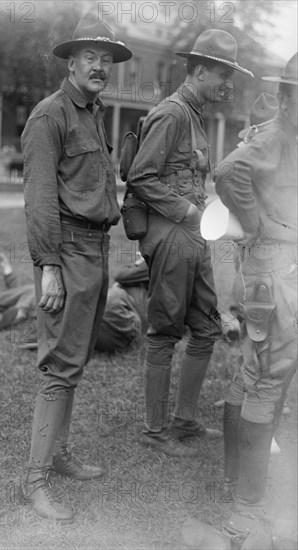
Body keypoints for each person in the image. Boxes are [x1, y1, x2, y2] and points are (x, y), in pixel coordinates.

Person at [20, 13, 132, 522]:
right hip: (65, 252)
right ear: (70, 61)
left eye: (107, 59)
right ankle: (35, 481)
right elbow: (40, 198)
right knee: (58, 367)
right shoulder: (51, 115)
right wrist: (48, 267)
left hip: (95, 251)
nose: (100, 66)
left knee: (76, 359)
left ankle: (59, 455)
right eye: (91, 56)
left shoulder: (93, 111)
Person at [126, 29, 254, 458]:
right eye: (222, 74)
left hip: (193, 238)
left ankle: (184, 420)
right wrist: (189, 214)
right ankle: (154, 430)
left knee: (205, 327)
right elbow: (141, 176)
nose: (228, 84)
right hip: (171, 236)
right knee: (164, 331)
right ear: (199, 71)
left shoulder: (194, 115)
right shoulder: (173, 115)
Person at [213, 52, 297, 541]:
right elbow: (227, 172)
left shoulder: (288, 136)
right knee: (268, 381)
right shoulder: (275, 138)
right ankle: (246, 508)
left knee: (252, 376)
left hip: (275, 272)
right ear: (286, 97)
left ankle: (234, 483)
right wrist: (257, 223)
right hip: (277, 274)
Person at [0, 253, 148, 353]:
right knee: (15, 294)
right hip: (105, 316)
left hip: (111, 317)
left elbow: (123, 275)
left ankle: (20, 315)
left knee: (28, 294)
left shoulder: (151, 271)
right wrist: (7, 269)